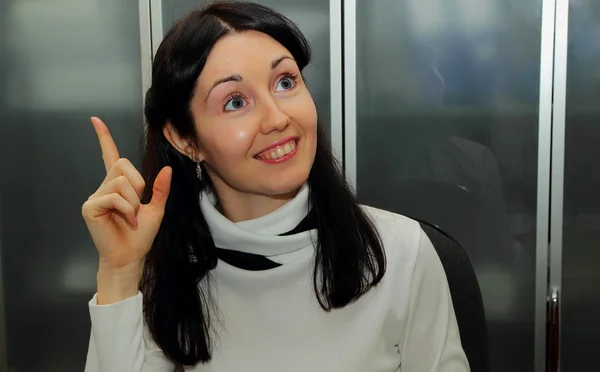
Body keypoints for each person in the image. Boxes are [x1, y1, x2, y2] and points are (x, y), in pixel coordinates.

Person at [81, 2, 469, 371]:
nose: (277, 117)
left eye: (285, 82)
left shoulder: (402, 254)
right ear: (186, 140)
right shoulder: (163, 272)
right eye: (235, 102)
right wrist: (119, 272)